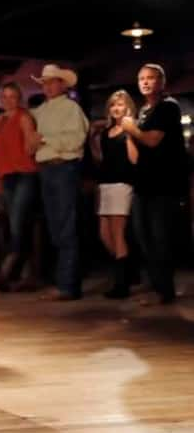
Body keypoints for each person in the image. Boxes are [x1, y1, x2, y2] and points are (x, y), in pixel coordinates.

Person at [121, 63, 187, 305]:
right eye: (141, 78)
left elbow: (153, 140)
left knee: (160, 239)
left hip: (164, 184)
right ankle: (155, 284)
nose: (146, 82)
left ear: (162, 82)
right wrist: (129, 133)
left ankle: (164, 291)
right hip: (143, 184)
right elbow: (135, 156)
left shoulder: (168, 107)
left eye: (151, 78)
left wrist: (133, 130)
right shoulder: (144, 112)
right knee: (142, 236)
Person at [29, 64, 89, 301]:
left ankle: (68, 285)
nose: (48, 86)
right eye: (45, 82)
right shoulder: (41, 110)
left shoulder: (71, 108)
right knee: (56, 227)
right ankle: (62, 281)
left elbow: (75, 140)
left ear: (62, 84)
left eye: (52, 82)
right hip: (47, 170)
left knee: (65, 226)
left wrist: (44, 138)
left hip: (64, 168)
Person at [0, 82, 39, 292]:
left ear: (19, 98)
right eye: (4, 96)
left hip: (24, 173)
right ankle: (27, 277)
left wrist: (38, 140)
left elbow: (30, 145)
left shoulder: (23, 117)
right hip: (7, 175)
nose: (8, 100)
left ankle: (5, 273)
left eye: (12, 96)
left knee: (18, 225)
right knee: (17, 225)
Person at [89, 90, 139, 299]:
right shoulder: (106, 131)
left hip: (122, 184)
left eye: (120, 105)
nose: (116, 108)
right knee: (104, 235)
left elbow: (134, 160)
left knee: (118, 235)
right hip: (105, 185)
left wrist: (130, 133)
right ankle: (128, 271)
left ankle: (122, 284)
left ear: (128, 107)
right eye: (113, 105)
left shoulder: (130, 130)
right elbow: (101, 158)